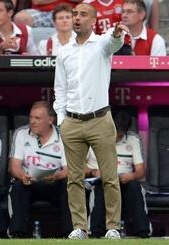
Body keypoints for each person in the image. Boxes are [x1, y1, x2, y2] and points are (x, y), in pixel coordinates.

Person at [53, 3, 128, 239]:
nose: (77, 18)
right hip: (72, 123)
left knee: (109, 178)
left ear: (93, 20)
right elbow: (60, 90)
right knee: (74, 180)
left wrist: (117, 34)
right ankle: (79, 227)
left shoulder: (102, 44)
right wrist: (62, 121)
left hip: (100, 120)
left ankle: (113, 227)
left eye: (83, 14)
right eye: (75, 14)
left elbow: (114, 42)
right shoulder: (64, 51)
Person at [8, 101, 73, 238]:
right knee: (18, 185)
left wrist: (55, 176)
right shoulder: (21, 133)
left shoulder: (64, 136)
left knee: (69, 183)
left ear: (50, 120)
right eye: (31, 117)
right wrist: (22, 176)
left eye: (37, 118)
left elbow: (69, 170)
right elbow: (14, 167)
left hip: (53, 183)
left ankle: (69, 233)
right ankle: (18, 234)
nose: (32, 121)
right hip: (29, 183)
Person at [86, 110, 151, 238]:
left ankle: (143, 233)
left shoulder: (133, 139)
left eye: (120, 135)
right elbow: (78, 167)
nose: (116, 137)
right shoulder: (93, 137)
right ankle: (94, 232)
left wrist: (131, 176)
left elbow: (141, 171)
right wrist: (94, 171)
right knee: (100, 188)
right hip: (100, 180)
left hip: (123, 181)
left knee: (135, 187)